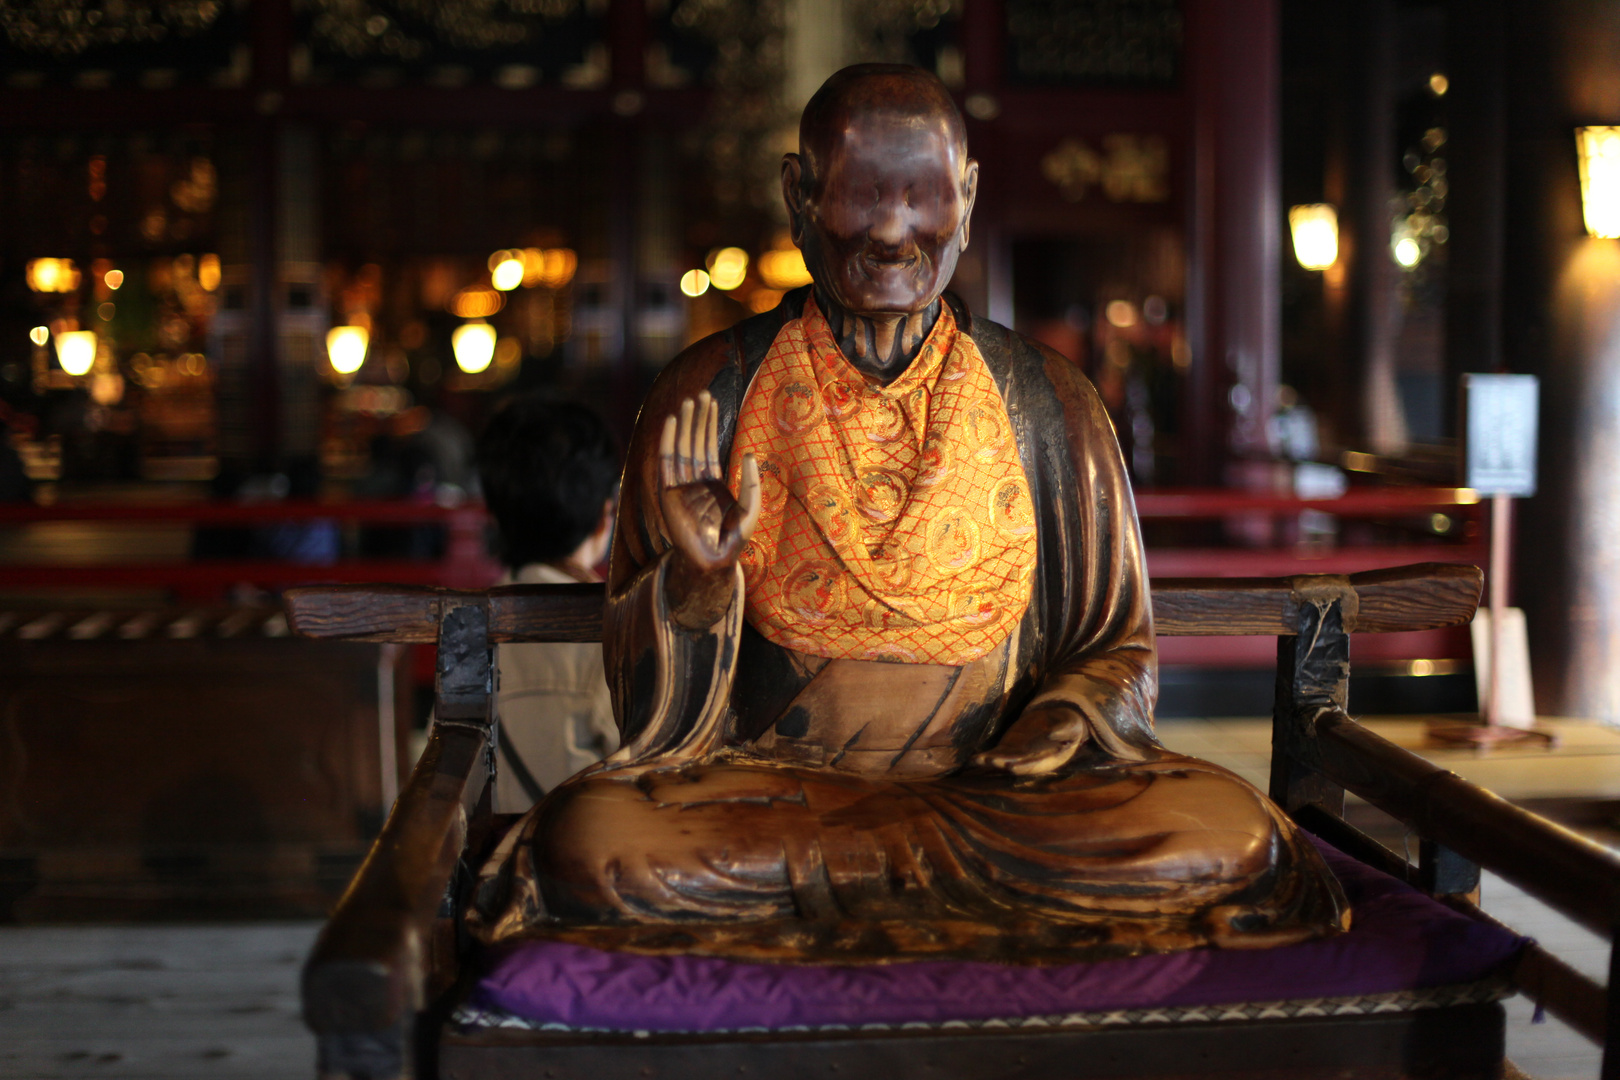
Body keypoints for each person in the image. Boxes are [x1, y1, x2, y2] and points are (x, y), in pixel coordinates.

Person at [470, 65, 1347, 962]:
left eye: (922, 196)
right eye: (860, 196)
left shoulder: (1052, 404)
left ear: (966, 196)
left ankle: (865, 900)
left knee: (1225, 832)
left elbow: (1116, 645)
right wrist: (696, 578)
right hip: (773, 803)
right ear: (800, 196)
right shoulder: (707, 396)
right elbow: (647, 713)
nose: (893, 232)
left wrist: (1058, 723)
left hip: (1000, 803)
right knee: (593, 843)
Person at [476, 397, 619, 812]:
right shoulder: (614, 631)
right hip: (583, 864)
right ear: (603, 517)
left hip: (495, 865)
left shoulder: (470, 625)